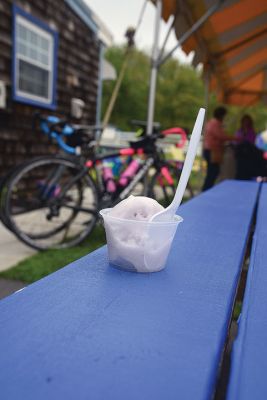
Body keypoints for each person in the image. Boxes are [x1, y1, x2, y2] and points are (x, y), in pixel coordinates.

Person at [202, 106, 228, 191]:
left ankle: (207, 190)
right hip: (212, 151)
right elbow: (221, 136)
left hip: (210, 150)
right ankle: (206, 191)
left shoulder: (212, 123)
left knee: (212, 172)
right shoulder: (215, 124)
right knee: (212, 173)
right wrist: (235, 138)